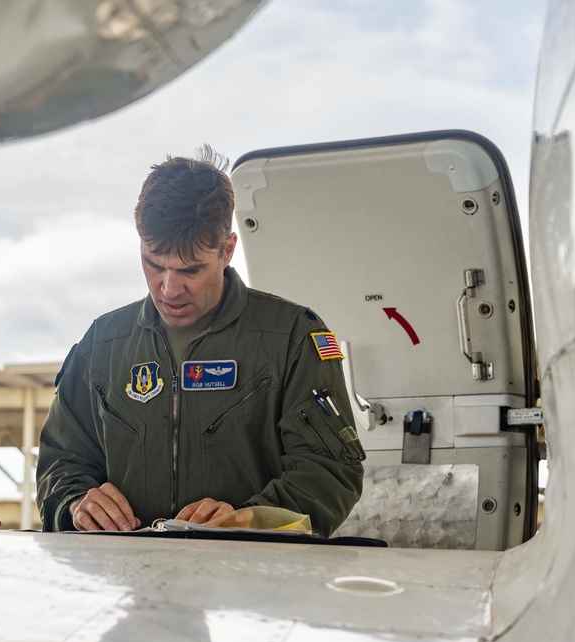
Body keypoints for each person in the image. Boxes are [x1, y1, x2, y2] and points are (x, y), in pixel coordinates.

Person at [36, 146, 365, 537]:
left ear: (227, 250)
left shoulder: (293, 338)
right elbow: (61, 464)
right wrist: (76, 501)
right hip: (130, 585)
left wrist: (252, 519)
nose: (169, 289)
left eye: (190, 269)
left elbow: (330, 472)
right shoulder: (102, 345)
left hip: (251, 584)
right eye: (154, 264)